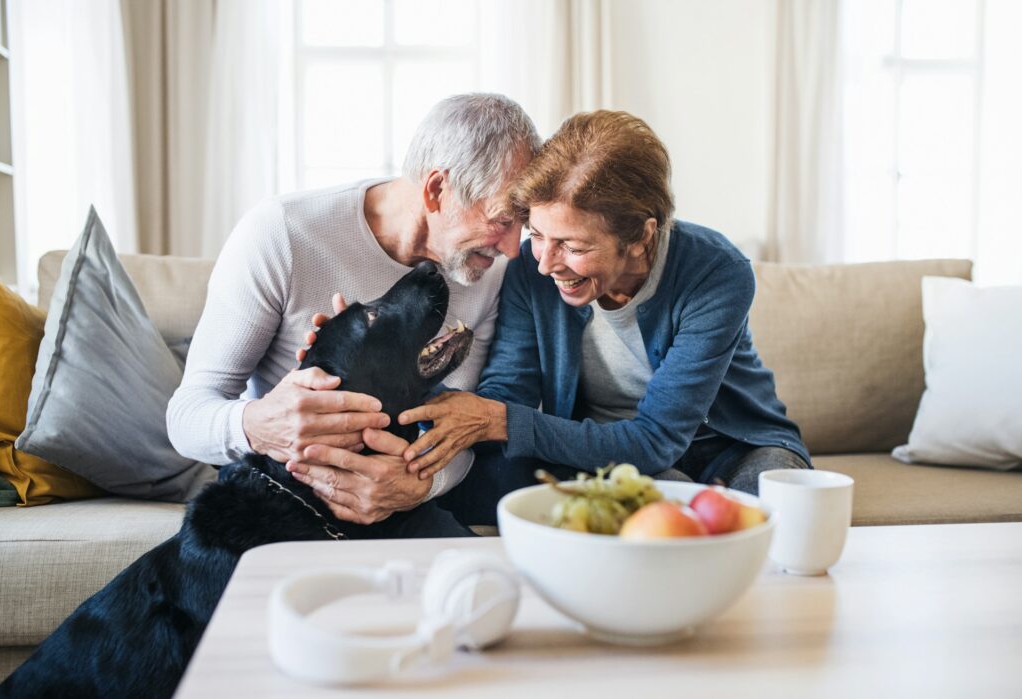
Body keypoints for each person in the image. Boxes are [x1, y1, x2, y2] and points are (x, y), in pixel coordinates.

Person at [390, 110, 810, 523]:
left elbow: (656, 439)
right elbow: (507, 394)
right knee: (653, 515)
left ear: (641, 237)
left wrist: (500, 420)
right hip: (602, 453)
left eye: (573, 246)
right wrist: (417, 392)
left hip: (737, 445)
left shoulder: (716, 272)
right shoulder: (528, 271)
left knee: (778, 512)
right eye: (537, 234)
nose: (545, 264)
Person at [166, 93, 541, 536]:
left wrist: (418, 486)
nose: (513, 248)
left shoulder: (489, 271)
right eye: (501, 220)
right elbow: (186, 418)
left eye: (524, 222)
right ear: (437, 189)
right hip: (281, 495)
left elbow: (455, 429)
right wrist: (260, 424)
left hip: (401, 501)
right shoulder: (283, 233)